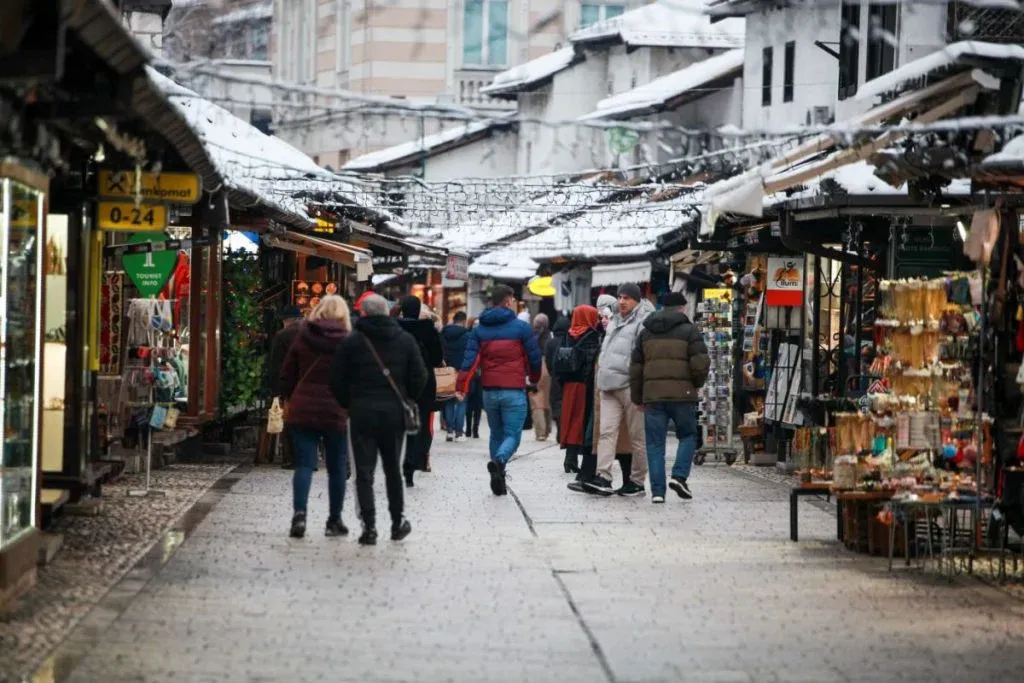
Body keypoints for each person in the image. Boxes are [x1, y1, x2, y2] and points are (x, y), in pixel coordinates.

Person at [330, 294, 426, 544]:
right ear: (387, 312)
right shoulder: (405, 340)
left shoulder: (352, 341)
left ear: (363, 313)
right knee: (393, 469)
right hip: (394, 414)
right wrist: (407, 397)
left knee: (363, 472)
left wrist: (349, 403)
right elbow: (420, 376)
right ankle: (397, 522)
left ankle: (369, 527)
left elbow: (336, 379)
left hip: (361, 413)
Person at [457, 284, 542, 495]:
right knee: (512, 435)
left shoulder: (479, 330)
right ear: (508, 301)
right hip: (514, 390)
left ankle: (499, 478)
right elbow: (534, 358)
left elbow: (469, 361)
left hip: (489, 391)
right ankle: (500, 460)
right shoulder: (521, 328)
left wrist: (461, 386)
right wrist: (534, 378)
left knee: (496, 434)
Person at [279, 296, 351, 539]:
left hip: (303, 407)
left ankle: (299, 515)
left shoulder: (303, 336)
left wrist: (289, 398)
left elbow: (287, 373)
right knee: (336, 467)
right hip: (335, 409)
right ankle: (334, 520)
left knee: (304, 465)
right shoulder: (348, 341)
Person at [629, 292, 710, 504]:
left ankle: (657, 492)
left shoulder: (646, 332)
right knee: (688, 435)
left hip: (653, 397)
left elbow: (635, 369)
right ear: (682, 308)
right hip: (683, 396)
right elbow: (700, 363)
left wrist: (637, 398)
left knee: (655, 444)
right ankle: (679, 476)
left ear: (662, 308)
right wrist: (695, 384)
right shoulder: (689, 331)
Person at [585, 283, 655, 497]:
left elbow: (645, 355)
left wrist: (642, 387)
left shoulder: (644, 321)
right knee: (606, 433)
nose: (622, 301)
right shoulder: (614, 318)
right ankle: (603, 477)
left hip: (630, 386)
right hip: (608, 385)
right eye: (620, 297)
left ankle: (637, 481)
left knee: (637, 437)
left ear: (637, 300)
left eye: (627, 298)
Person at [552, 305, 602, 489]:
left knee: (570, 420)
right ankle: (577, 460)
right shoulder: (592, 336)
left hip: (568, 386)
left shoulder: (568, 335)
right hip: (584, 386)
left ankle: (570, 458)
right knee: (582, 422)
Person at [396, 295, 444, 487]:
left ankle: (396, 459)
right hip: (423, 382)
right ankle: (413, 462)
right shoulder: (428, 330)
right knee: (420, 423)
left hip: (398, 382)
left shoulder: (395, 328)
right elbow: (437, 358)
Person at [263, 305, 303, 468]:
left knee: (290, 422)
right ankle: (309, 458)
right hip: (309, 385)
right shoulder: (312, 334)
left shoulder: (282, 336)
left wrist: (275, 390)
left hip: (290, 386)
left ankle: (293, 458)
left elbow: (276, 365)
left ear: (286, 321)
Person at [442, 311, 471, 442]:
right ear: (464, 321)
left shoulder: (444, 333)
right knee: (461, 401)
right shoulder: (467, 335)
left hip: (447, 370)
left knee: (449, 401)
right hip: (461, 371)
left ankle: (449, 431)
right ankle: (459, 432)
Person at [545, 315, 569, 446]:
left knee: (556, 403)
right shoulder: (570, 340)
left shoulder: (551, 343)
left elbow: (548, 362)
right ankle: (564, 431)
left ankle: (560, 429)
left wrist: (552, 373)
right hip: (568, 377)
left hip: (555, 377)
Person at [528, 313, 553, 441]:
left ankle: (540, 432)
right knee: (547, 400)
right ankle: (548, 429)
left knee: (536, 400)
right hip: (548, 367)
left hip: (536, 366)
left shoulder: (531, 336)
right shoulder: (550, 336)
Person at [465, 317, 484, 439]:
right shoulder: (468, 337)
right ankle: (468, 428)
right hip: (470, 374)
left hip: (481, 374)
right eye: (475, 324)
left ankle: (475, 429)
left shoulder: (484, 337)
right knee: (470, 403)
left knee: (478, 404)